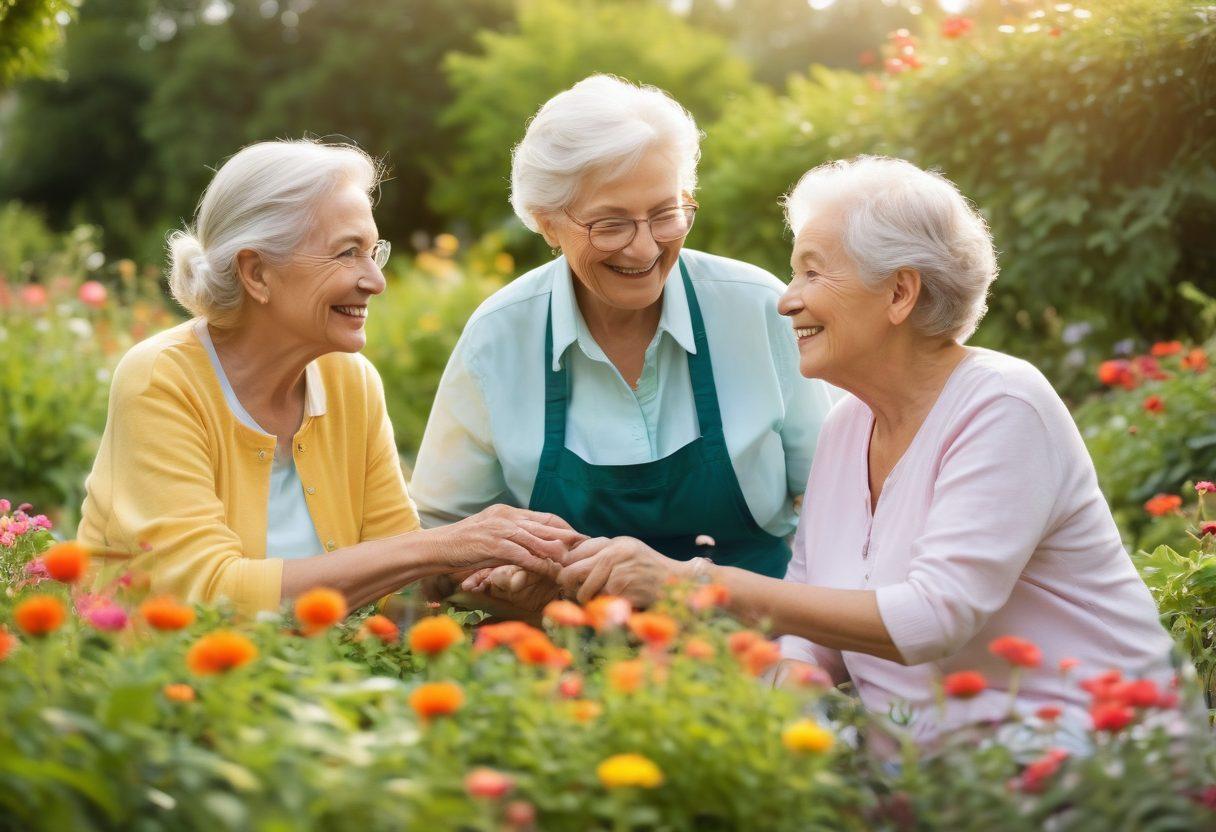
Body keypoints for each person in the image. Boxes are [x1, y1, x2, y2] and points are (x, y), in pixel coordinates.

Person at [556, 155, 1174, 737]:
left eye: (813, 271)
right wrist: (784, 701)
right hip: (928, 781)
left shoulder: (1002, 406)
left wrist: (691, 583)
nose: (786, 298)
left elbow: (933, 616)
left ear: (900, 293)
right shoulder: (848, 424)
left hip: (1087, 764)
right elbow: (808, 622)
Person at [78, 140, 578, 615]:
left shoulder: (348, 380)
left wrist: (477, 576)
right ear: (256, 273)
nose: (376, 281)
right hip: (172, 690)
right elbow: (207, 594)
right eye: (346, 253)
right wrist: (443, 545)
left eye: (373, 251)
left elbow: (395, 582)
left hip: (308, 690)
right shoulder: (162, 380)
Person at [410, 75, 834, 610]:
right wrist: (494, 579)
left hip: (754, 645)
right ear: (546, 223)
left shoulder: (756, 310)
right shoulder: (499, 337)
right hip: (565, 654)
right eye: (609, 224)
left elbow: (841, 502)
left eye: (664, 214)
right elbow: (441, 539)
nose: (642, 248)